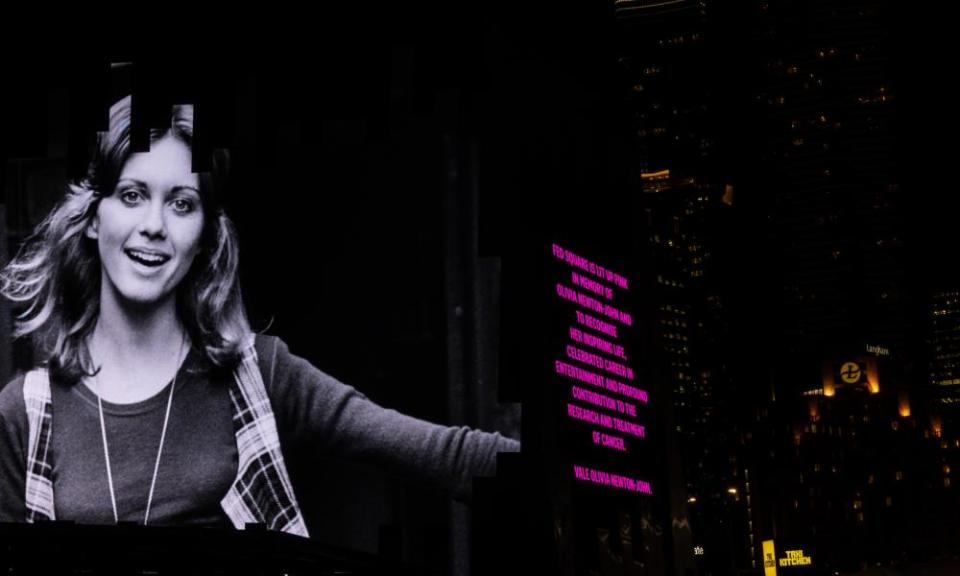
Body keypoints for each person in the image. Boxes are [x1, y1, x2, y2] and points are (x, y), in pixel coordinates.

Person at [0, 96, 519, 536]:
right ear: (94, 218)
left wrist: (585, 474)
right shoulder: (27, 413)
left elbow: (449, 457)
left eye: (182, 204)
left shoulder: (260, 376)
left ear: (204, 236)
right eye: (132, 196)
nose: (154, 225)